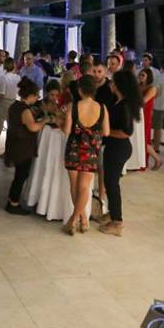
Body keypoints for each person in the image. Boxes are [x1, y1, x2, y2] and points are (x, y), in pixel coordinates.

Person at [61, 75, 108, 233]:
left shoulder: (73, 106)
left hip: (73, 150)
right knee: (84, 188)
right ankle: (83, 219)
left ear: (80, 90)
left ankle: (75, 220)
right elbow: (106, 132)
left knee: (74, 187)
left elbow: (67, 130)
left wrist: (60, 122)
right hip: (91, 152)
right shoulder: (102, 108)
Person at [98, 70, 140, 237]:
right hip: (114, 147)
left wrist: (106, 133)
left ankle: (117, 221)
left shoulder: (125, 106)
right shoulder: (118, 101)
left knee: (111, 183)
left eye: (114, 82)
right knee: (110, 182)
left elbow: (126, 132)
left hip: (119, 148)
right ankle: (113, 212)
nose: (111, 85)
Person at [3, 77, 47, 215]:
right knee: (21, 176)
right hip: (23, 147)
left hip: (15, 143)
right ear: (31, 95)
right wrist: (45, 121)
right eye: (36, 95)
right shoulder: (25, 110)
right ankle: (14, 203)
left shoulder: (14, 106)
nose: (37, 98)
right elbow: (33, 127)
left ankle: (11, 199)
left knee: (19, 175)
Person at [0, 57, 20, 161]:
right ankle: (8, 152)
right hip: (13, 102)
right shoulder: (18, 77)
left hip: (3, 103)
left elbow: (1, 94)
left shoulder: (4, 78)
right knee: (11, 129)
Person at [137, 68, 162, 171]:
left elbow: (143, 101)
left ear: (149, 77)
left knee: (144, 140)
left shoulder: (152, 88)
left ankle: (157, 159)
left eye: (143, 75)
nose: (140, 77)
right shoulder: (138, 86)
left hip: (145, 116)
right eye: (140, 74)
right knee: (140, 139)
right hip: (137, 114)